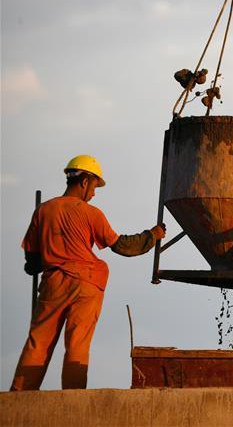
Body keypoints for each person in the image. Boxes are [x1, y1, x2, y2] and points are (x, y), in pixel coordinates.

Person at [10, 155, 166, 391]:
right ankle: (74, 398)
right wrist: (152, 235)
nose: (93, 194)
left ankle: (19, 396)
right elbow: (123, 247)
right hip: (87, 283)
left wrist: (52, 253)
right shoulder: (91, 213)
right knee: (77, 345)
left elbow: (31, 264)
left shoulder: (43, 210)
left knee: (38, 342)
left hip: (53, 284)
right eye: (94, 187)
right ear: (85, 182)